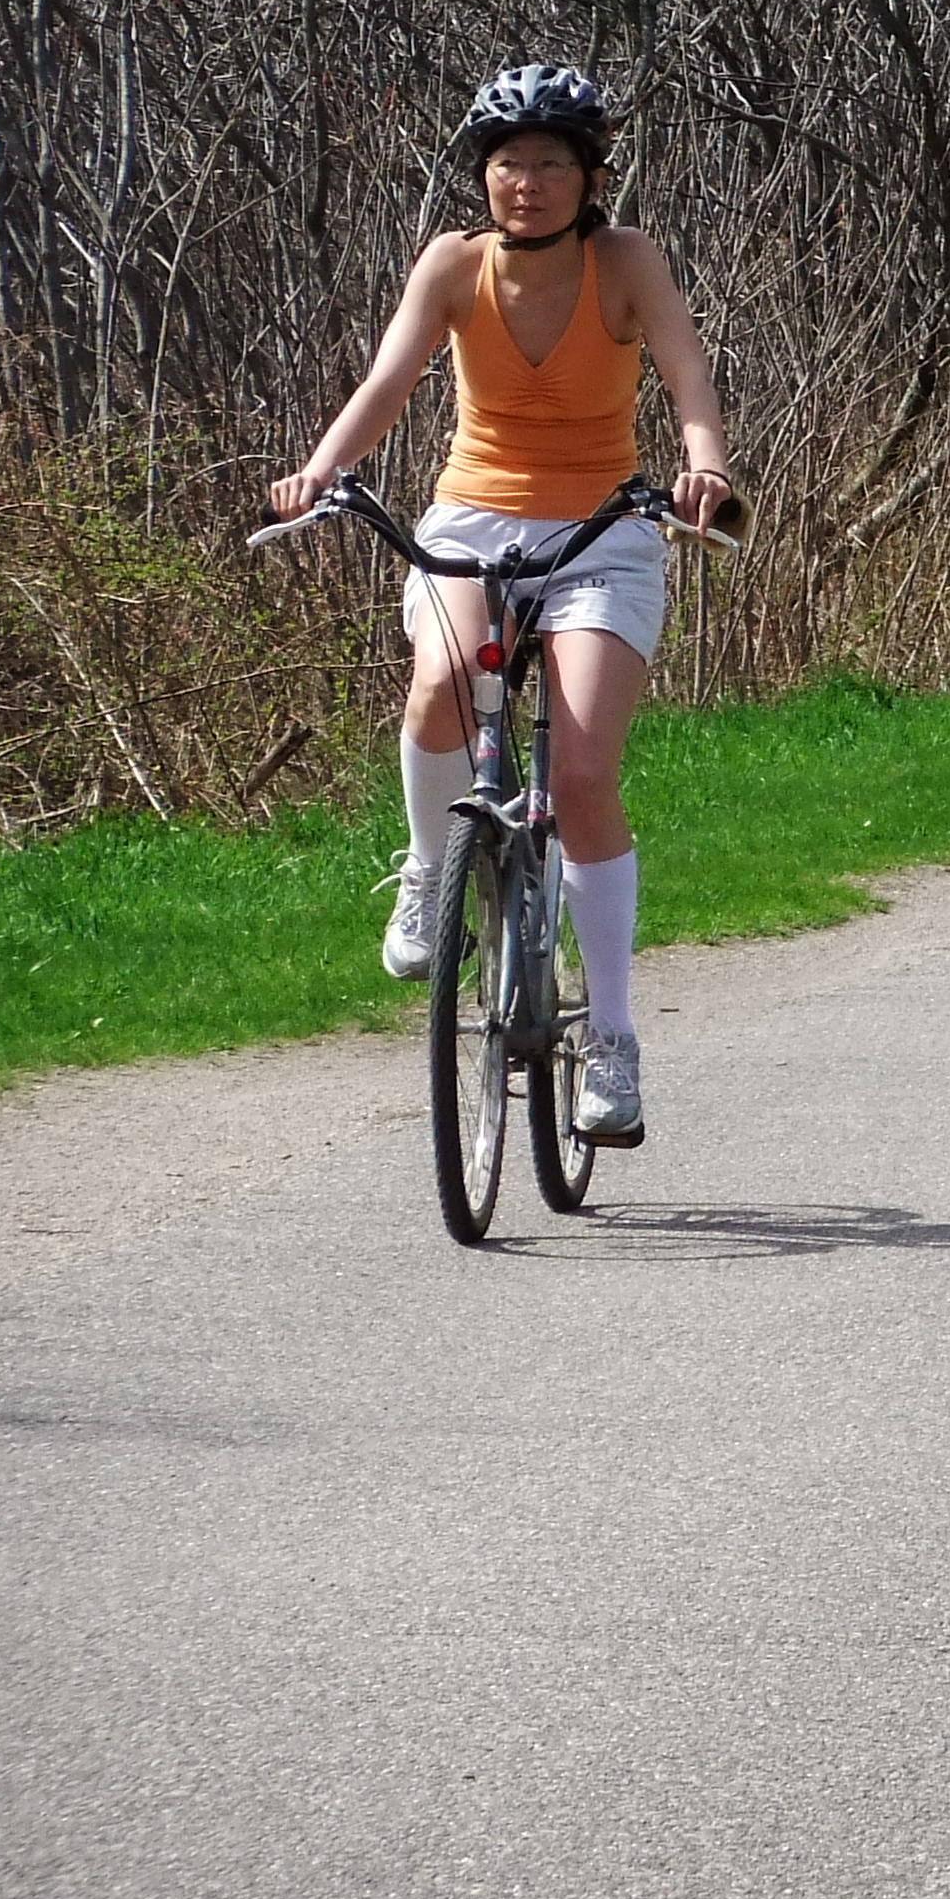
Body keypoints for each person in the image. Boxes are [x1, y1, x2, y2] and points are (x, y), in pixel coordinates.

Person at [268, 66, 737, 1145]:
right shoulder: (452, 265)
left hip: (601, 534)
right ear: (481, 174)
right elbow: (387, 383)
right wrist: (321, 471)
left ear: (590, 177)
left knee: (578, 776)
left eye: (551, 164)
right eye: (508, 164)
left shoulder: (625, 264)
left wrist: (703, 469)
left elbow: (689, 384)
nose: (526, 184)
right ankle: (432, 872)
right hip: (471, 523)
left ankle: (611, 1037)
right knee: (436, 686)